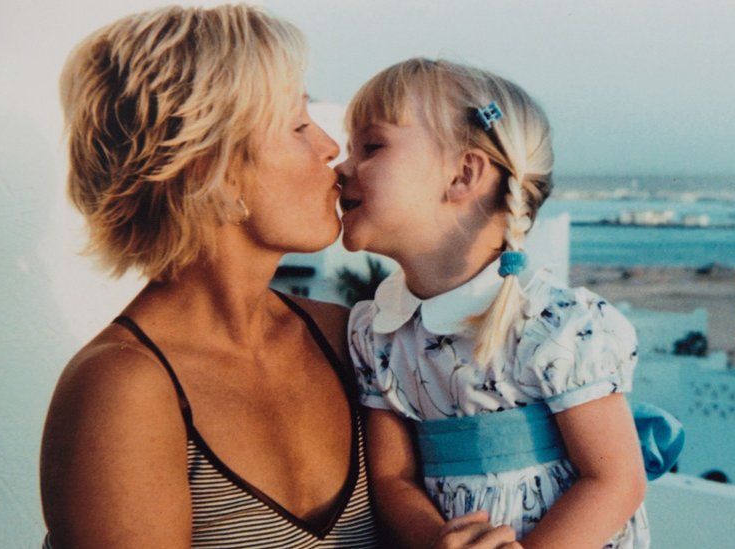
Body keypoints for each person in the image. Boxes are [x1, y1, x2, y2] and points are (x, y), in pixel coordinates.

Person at [39, 6, 378, 547]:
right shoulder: (122, 392)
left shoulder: (351, 338)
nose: (330, 148)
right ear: (211, 172)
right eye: (298, 125)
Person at [337, 58, 657, 548]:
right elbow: (392, 480)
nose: (342, 166)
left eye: (371, 146)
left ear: (463, 174)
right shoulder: (377, 332)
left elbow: (615, 481)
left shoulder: (554, 325)